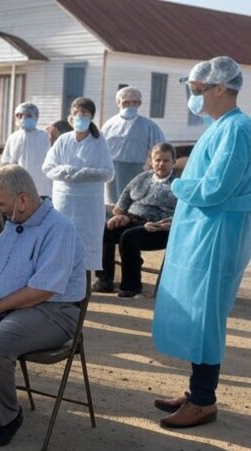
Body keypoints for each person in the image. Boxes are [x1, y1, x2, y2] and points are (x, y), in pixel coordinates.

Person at [0, 165, 86, 448]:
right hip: (11, 307)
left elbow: (42, 290)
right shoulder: (10, 228)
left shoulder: (60, 228)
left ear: (22, 199)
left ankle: (8, 417)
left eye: (1, 203)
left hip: (54, 312)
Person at [152, 56, 251, 429]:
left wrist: (175, 184)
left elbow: (216, 188)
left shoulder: (237, 129)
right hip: (204, 230)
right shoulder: (220, 126)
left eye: (197, 89)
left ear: (221, 88)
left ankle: (205, 399)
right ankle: (197, 391)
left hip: (217, 235)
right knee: (198, 313)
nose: (193, 97)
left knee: (207, 316)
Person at [95, 142, 177, 298]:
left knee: (129, 237)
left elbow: (184, 212)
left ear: (173, 161)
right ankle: (104, 280)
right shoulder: (142, 177)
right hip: (133, 219)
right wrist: (120, 214)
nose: (161, 164)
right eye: (157, 160)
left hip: (159, 228)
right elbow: (124, 198)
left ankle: (131, 286)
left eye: (166, 160)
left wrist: (166, 223)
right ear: (151, 161)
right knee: (106, 230)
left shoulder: (178, 183)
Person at [42, 97, 114, 271]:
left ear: (91, 118)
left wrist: (84, 173)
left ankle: (83, 293)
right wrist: (66, 171)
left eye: (85, 115)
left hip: (88, 205)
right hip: (64, 202)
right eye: (77, 114)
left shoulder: (99, 142)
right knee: (62, 244)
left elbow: (108, 173)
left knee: (85, 250)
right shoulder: (63, 140)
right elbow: (48, 167)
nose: (80, 119)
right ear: (70, 117)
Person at [101, 87, 166, 205]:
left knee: (134, 204)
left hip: (138, 170)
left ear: (139, 104)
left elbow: (159, 148)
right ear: (118, 103)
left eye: (134, 102)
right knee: (113, 204)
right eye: (126, 102)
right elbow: (100, 148)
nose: (130, 105)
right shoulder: (109, 125)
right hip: (112, 170)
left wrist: (150, 166)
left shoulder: (149, 126)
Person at [1, 102, 52, 198]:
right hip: (19, 186)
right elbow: (6, 162)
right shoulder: (13, 137)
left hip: (42, 188)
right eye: (19, 116)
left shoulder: (45, 136)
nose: (23, 118)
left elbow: (51, 160)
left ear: (36, 117)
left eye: (28, 115)